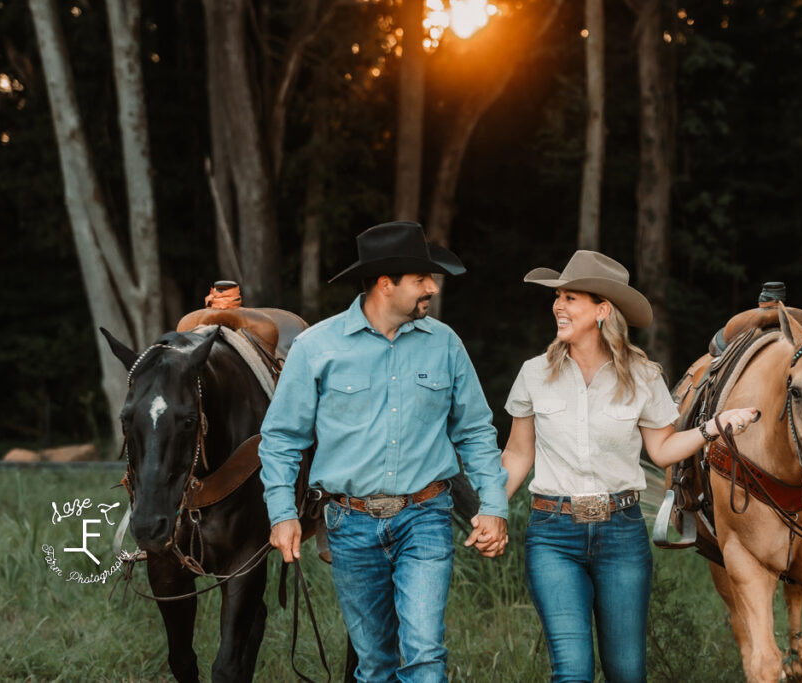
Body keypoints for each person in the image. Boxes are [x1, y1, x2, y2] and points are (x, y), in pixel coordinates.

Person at [259, 221, 509, 682]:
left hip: (425, 516)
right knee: (375, 664)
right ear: (385, 283)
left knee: (425, 655)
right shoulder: (317, 348)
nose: (431, 288)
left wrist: (493, 506)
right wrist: (282, 513)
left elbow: (475, 430)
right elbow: (281, 439)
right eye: (422, 279)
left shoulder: (445, 344)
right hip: (349, 524)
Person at [501, 250, 757, 683]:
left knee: (627, 673)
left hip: (621, 535)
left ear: (602, 310)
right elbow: (517, 454)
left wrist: (714, 426)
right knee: (572, 672)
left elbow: (662, 449)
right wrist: (489, 507)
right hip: (552, 535)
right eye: (557, 297)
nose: (558, 306)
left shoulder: (641, 375)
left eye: (571, 298)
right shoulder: (533, 373)